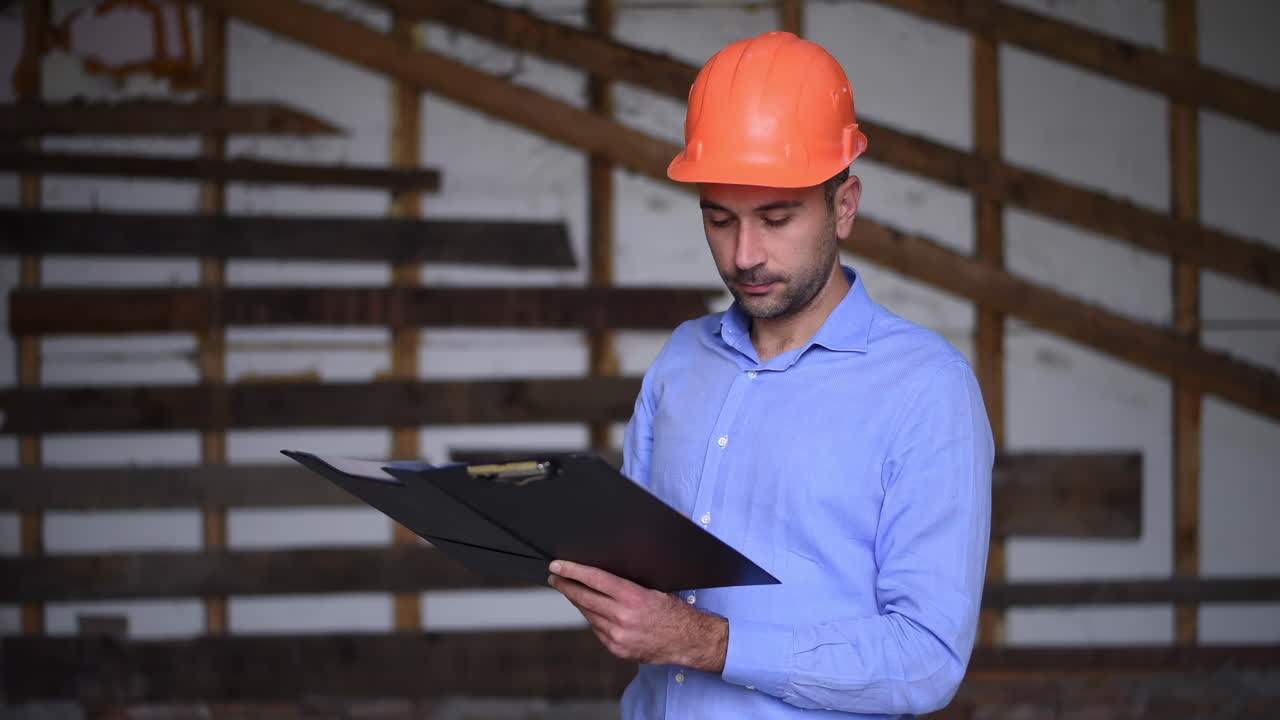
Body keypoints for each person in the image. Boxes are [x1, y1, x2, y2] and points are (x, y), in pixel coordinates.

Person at [548, 31, 993, 719]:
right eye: (719, 220)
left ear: (844, 204)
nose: (745, 254)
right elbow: (639, 573)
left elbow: (925, 659)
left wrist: (707, 643)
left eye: (776, 218)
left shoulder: (926, 390)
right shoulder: (682, 360)